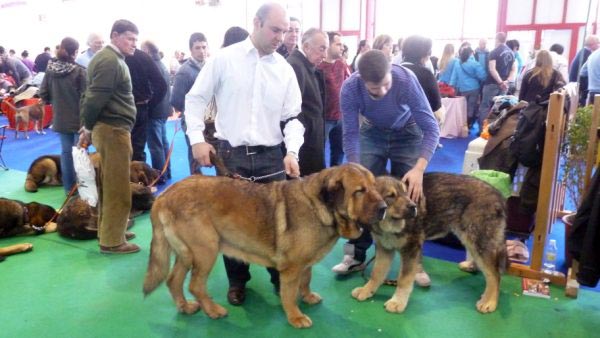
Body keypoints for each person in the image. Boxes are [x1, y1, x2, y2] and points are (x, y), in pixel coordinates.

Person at [184, 3, 304, 306]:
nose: (280, 37)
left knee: (277, 225)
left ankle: (281, 279)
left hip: (271, 158)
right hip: (230, 156)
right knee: (231, 225)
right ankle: (238, 281)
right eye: (275, 29)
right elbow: (195, 99)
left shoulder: (285, 70)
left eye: (285, 31)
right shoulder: (224, 60)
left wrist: (292, 151)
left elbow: (293, 118)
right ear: (256, 22)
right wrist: (197, 139)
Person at [332, 50, 440, 279]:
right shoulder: (350, 88)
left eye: (385, 85)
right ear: (362, 79)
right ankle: (355, 255)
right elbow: (350, 133)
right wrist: (356, 169)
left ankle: (414, 261)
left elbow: (431, 128)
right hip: (371, 133)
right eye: (374, 89)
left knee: (412, 196)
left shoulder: (406, 80)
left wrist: (419, 169)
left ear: (391, 70)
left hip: (408, 132)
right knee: (360, 194)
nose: (382, 91)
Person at [78, 19, 140, 254]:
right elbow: (94, 98)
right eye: (129, 38)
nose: (134, 44)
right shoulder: (110, 60)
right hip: (112, 130)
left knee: (110, 184)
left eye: (135, 39)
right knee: (117, 187)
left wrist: (89, 126)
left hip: (111, 129)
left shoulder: (109, 58)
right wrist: (88, 126)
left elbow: (92, 96)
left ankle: (111, 231)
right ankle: (112, 241)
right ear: (115, 36)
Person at [39, 37, 87, 195]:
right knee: (80, 155)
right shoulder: (79, 71)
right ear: (74, 52)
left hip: (60, 119)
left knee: (66, 154)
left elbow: (43, 94)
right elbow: (87, 96)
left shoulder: (50, 69)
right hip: (79, 119)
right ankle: (83, 190)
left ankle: (69, 189)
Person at [287, 28, 328, 174]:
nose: (325, 55)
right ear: (306, 47)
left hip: (310, 140)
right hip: (304, 145)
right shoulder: (295, 66)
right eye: (322, 49)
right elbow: (293, 112)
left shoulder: (305, 66)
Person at [170, 32, 209, 174]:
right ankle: (196, 186)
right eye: (198, 48)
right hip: (192, 121)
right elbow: (176, 100)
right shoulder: (184, 72)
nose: (202, 51)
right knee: (195, 154)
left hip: (211, 121)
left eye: (204, 47)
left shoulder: (211, 67)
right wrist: (191, 110)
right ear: (191, 50)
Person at [125, 48, 168, 162]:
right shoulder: (143, 56)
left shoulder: (113, 58)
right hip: (139, 108)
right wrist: (149, 106)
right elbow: (161, 85)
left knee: (127, 152)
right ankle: (142, 179)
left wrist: (149, 106)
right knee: (137, 151)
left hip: (126, 111)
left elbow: (161, 86)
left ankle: (137, 179)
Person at [141, 40, 172, 183]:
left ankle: (159, 175)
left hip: (154, 111)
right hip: (163, 110)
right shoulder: (162, 65)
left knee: (155, 146)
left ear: (147, 50)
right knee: (163, 143)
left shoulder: (151, 66)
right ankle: (167, 172)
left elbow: (154, 90)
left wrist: (148, 105)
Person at [318, 31, 349, 167]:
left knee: (339, 151)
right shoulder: (318, 67)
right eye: (338, 44)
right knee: (319, 153)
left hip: (340, 117)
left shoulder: (342, 65)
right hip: (324, 118)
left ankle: (335, 179)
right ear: (328, 45)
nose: (342, 47)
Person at [477, 32, 516, 130]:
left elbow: (492, 69)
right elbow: (514, 70)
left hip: (492, 84)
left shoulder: (494, 52)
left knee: (485, 106)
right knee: (500, 107)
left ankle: (483, 130)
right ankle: (495, 129)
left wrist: (500, 82)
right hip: (504, 85)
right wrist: (506, 81)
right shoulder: (511, 53)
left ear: (497, 39)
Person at [400, 35, 442, 113]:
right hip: (419, 121)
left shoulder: (395, 70)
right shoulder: (426, 74)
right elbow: (436, 105)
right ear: (423, 53)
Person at [450, 46, 487, 127]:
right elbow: (483, 76)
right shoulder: (475, 63)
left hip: (462, 89)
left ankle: (462, 124)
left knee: (463, 107)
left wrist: (452, 86)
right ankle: (469, 124)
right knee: (472, 106)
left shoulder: (457, 63)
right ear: (471, 53)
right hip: (474, 88)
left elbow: (454, 76)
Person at [569, 35, 600, 106]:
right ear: (592, 44)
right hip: (587, 89)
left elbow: (582, 72)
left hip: (591, 91)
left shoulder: (591, 55)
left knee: (592, 116)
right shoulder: (586, 53)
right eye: (598, 43)